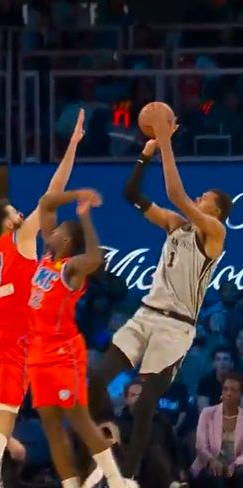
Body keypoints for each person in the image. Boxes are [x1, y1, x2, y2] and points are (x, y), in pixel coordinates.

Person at [86, 105, 231, 484]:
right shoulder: (174, 224)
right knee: (96, 378)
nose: (199, 197)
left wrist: (165, 139)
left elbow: (174, 192)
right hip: (147, 314)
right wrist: (146, 154)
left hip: (176, 328)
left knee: (145, 403)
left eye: (206, 197)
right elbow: (131, 193)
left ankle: (126, 477)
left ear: (216, 210)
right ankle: (105, 441)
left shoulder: (214, 233)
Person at [0, 108, 85, 488]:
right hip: (13, 335)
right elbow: (53, 193)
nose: (22, 214)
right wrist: (72, 145)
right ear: (8, 222)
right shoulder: (20, 238)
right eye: (15, 212)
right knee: (6, 416)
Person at [26, 190, 135, 488]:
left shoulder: (70, 269)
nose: (50, 231)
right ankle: (70, 485)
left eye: (57, 230)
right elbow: (46, 203)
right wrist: (77, 193)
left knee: (79, 420)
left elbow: (94, 258)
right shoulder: (47, 259)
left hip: (62, 352)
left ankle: (115, 480)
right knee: (51, 426)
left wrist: (85, 217)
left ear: (66, 240)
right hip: (37, 352)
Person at [191, 373, 243, 487]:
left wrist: (234, 465)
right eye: (226, 389)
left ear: (240, 394)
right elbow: (201, 446)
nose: (228, 393)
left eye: (233, 390)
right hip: (209, 463)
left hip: (236, 466)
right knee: (214, 475)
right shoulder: (207, 413)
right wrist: (211, 460)